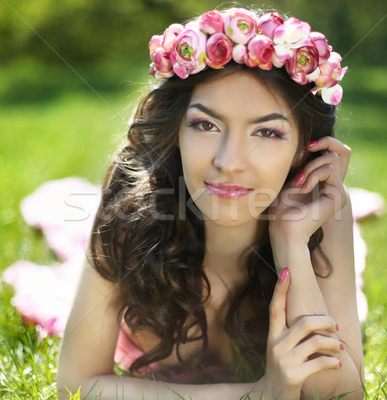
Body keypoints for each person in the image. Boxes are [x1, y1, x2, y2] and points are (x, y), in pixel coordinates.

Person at [57, 8, 364, 400]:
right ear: (177, 130)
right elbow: (75, 384)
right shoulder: (130, 203)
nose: (229, 161)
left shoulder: (324, 213)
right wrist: (259, 394)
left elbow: (341, 395)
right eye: (205, 125)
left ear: (305, 151)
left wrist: (290, 240)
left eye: (267, 132)